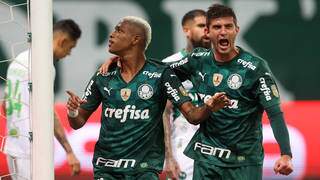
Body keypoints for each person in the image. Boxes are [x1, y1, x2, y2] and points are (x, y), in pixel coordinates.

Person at [65, 16, 230, 180]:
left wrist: (209, 107)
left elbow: (193, 116)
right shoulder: (104, 74)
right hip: (107, 169)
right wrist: (72, 111)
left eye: (118, 30)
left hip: (144, 170)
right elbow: (78, 122)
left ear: (135, 39)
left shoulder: (161, 74)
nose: (111, 35)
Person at [167, 4, 293, 179]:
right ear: (208, 32)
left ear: (236, 30)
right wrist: (125, 66)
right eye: (217, 27)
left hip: (242, 162)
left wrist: (286, 153)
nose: (223, 32)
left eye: (228, 26)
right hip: (206, 160)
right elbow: (160, 74)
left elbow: (274, 112)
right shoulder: (198, 60)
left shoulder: (254, 68)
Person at [4, 19, 82, 180]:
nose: (69, 53)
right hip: (31, 149)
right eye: (71, 48)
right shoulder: (44, 65)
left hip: (12, 144)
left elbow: (5, 104)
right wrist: (69, 151)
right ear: (63, 41)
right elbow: (47, 113)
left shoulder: (19, 59)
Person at [161, 9, 210, 180]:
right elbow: (163, 112)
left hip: (219, 147)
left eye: (210, 26)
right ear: (186, 30)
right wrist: (169, 157)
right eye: (201, 26)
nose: (207, 30)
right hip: (183, 145)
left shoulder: (223, 64)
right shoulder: (169, 65)